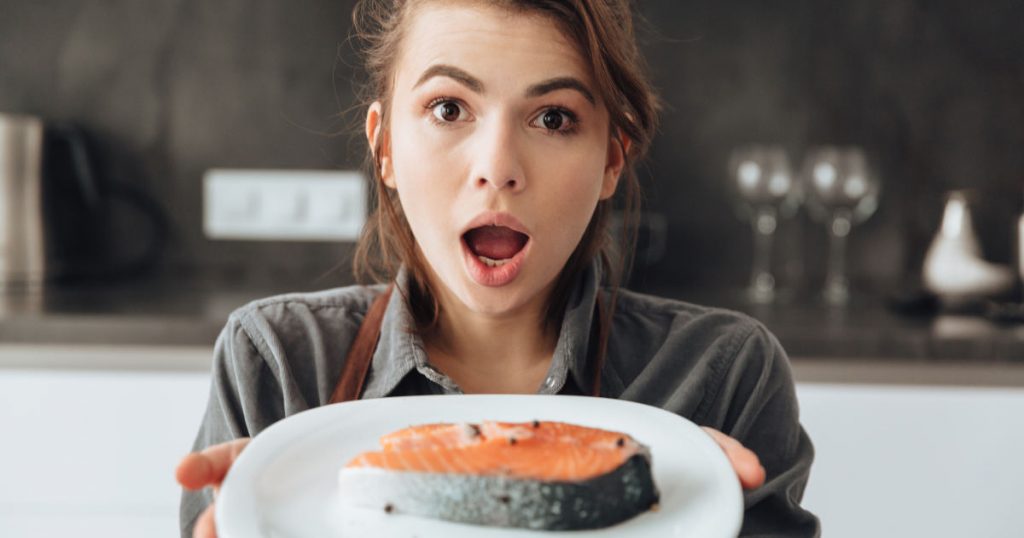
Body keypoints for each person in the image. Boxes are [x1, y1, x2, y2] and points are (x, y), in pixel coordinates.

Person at [176, 0, 820, 536]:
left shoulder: (723, 378)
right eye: (449, 108)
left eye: (553, 117)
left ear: (610, 163)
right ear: (386, 148)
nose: (498, 166)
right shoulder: (275, 366)